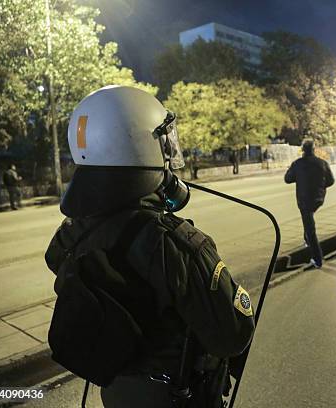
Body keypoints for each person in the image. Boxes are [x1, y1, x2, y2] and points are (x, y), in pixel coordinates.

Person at [44, 86, 254, 407]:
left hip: (116, 393)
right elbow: (233, 335)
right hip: (175, 396)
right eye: (163, 141)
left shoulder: (71, 234)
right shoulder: (176, 243)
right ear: (141, 144)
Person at [284, 139, 335, 268]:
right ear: (313, 150)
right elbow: (331, 181)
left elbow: (287, 179)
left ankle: (317, 259)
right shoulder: (322, 163)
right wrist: (321, 186)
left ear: (303, 151)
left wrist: (295, 173)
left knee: (310, 228)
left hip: (304, 200)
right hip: (318, 199)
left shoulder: (297, 164)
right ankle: (307, 240)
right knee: (308, 220)